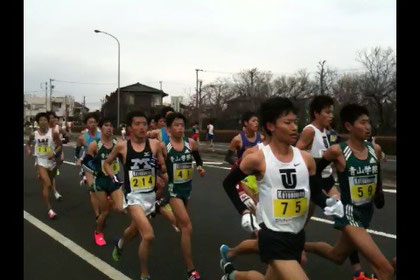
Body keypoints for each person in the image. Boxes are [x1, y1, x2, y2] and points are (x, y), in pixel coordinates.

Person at [221, 97, 344, 280]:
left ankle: (232, 275)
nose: (294, 127)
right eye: (287, 123)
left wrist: (328, 202)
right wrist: (245, 211)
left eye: (295, 122)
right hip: (272, 235)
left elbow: (315, 192)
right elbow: (228, 183)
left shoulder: (305, 159)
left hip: (296, 235)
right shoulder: (258, 158)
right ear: (271, 126)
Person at [304, 104, 394, 280]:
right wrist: (322, 199)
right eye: (362, 122)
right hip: (348, 213)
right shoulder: (337, 151)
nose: (368, 127)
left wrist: (379, 191)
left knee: (336, 256)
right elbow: (314, 172)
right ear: (348, 126)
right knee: (387, 271)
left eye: (368, 122)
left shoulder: (374, 149)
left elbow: (376, 171)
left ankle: (301, 246)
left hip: (367, 211)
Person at [104, 111, 168, 280]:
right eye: (137, 124)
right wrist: (115, 178)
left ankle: (121, 243)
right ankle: (144, 274)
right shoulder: (122, 146)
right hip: (133, 198)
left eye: (144, 124)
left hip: (150, 197)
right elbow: (107, 163)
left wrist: (162, 175)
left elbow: (162, 166)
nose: (141, 127)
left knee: (133, 230)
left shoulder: (154, 145)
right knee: (148, 235)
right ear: (130, 127)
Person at [160, 112, 206, 280]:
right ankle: (190, 270)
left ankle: (161, 209)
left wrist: (200, 168)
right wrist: (162, 175)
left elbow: (198, 159)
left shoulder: (190, 143)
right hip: (173, 190)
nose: (180, 128)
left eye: (182, 125)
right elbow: (158, 166)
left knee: (181, 225)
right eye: (176, 125)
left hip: (187, 188)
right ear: (169, 129)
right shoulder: (165, 147)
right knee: (187, 227)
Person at [82, 118, 125, 246]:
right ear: (101, 128)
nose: (109, 128)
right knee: (105, 212)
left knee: (120, 208)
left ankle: (110, 200)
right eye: (106, 125)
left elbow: (124, 161)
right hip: (100, 182)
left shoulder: (119, 143)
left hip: (114, 181)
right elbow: (86, 163)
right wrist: (91, 180)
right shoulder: (95, 144)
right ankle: (98, 232)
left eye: (111, 125)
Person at [26, 112, 62, 219]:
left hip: (51, 162)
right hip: (40, 161)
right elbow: (28, 144)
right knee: (47, 184)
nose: (43, 122)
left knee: (50, 182)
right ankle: (49, 209)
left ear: (48, 121)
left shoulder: (53, 133)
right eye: (40, 120)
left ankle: (48, 185)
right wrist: (28, 149)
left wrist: (54, 153)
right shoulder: (34, 134)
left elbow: (59, 145)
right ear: (38, 122)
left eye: (45, 120)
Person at [75, 113, 102, 221]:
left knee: (102, 189)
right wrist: (77, 160)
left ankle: (102, 207)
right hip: (88, 165)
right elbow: (77, 151)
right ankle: (97, 215)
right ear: (86, 124)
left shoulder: (102, 135)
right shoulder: (82, 138)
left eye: (95, 122)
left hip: (102, 165)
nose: (93, 124)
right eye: (90, 122)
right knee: (93, 190)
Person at [46, 111, 66, 201]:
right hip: (46, 154)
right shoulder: (43, 130)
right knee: (48, 175)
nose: (52, 119)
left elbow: (66, 136)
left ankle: (52, 186)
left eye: (54, 117)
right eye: (50, 118)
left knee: (52, 173)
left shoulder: (58, 128)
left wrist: (65, 138)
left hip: (57, 152)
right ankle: (54, 191)